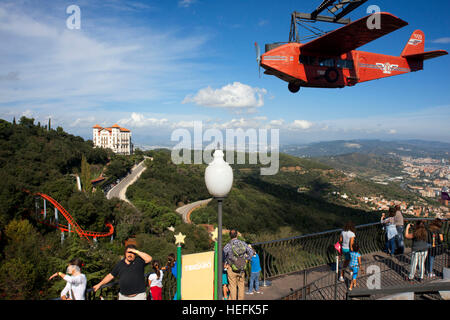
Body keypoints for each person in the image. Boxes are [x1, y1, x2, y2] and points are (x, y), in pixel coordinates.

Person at [223, 229, 254, 300]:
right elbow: (251, 252)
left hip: (231, 268)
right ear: (237, 235)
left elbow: (224, 256)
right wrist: (246, 259)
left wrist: (226, 264)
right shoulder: (243, 243)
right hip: (242, 267)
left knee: (233, 286)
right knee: (241, 285)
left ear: (230, 236)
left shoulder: (227, 246)